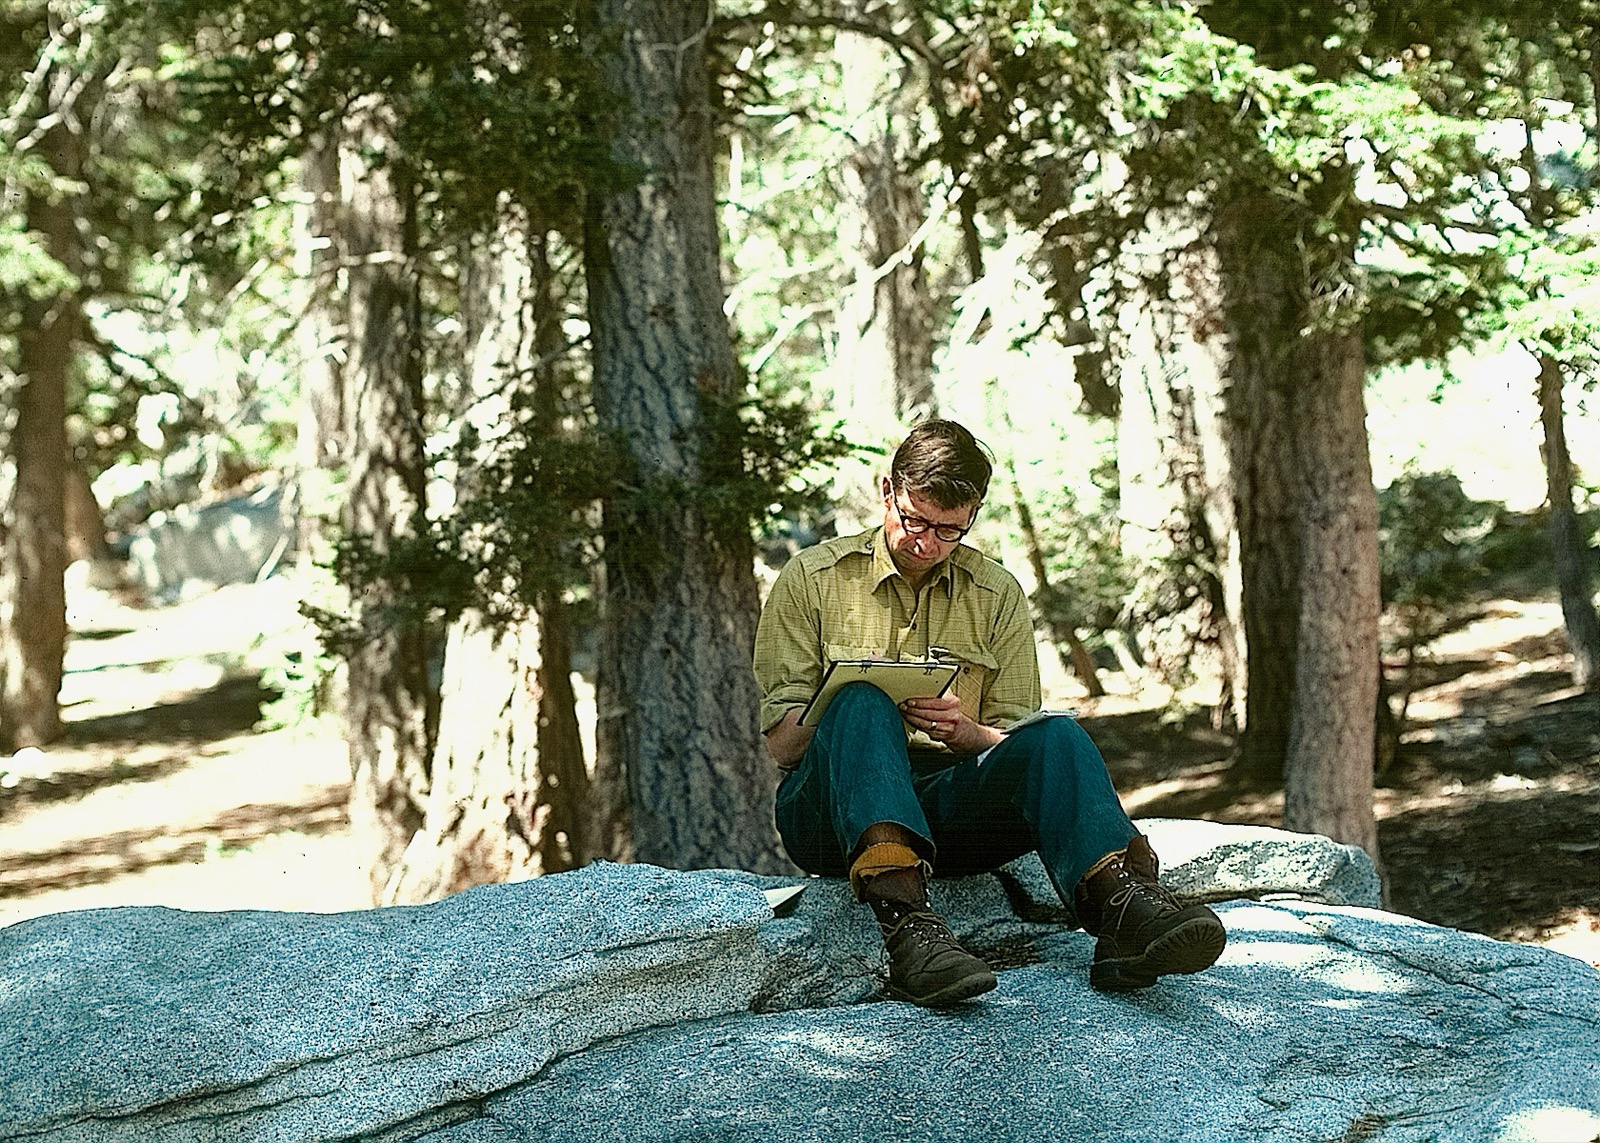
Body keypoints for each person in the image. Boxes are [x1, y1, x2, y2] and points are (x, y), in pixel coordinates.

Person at [752, 418, 1226, 1007]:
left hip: (950, 807)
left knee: (1057, 736)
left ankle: (1120, 909)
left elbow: (1016, 745)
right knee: (860, 701)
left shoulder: (995, 592)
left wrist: (966, 732)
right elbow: (781, 746)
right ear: (887, 491)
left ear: (971, 515)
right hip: (831, 813)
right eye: (914, 519)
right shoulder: (812, 579)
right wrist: (850, 700)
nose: (925, 541)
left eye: (949, 530)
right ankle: (910, 933)